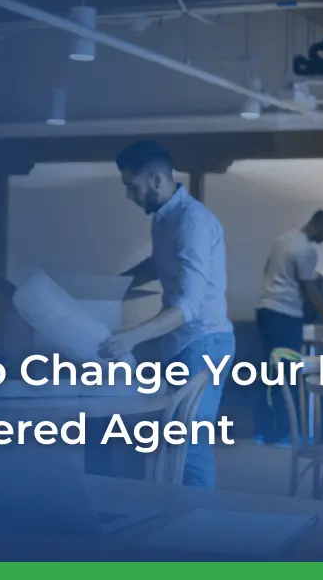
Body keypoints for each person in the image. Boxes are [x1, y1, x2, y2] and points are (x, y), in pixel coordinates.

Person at [99, 140, 235, 489]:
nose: (129, 196)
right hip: (181, 343)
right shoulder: (164, 219)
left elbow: (188, 307)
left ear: (156, 179)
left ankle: (202, 527)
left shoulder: (192, 222)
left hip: (205, 342)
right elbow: (159, 265)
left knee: (191, 446)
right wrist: (110, 287)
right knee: (175, 440)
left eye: (133, 186)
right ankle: (181, 518)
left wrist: (129, 336)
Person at [251, 210, 323, 446]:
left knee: (268, 373)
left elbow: (266, 270)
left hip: (265, 311)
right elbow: (310, 290)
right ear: (316, 223)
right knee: (289, 375)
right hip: (286, 315)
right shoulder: (307, 250)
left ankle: (261, 432)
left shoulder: (283, 239)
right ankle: (285, 434)